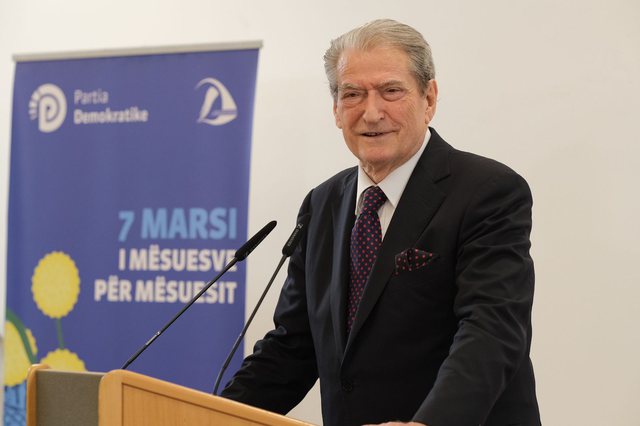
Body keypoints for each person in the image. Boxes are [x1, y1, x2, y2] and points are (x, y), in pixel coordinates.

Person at [221, 19, 541, 426]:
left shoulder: (487, 191)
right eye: (353, 94)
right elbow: (293, 347)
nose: (371, 113)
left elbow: (490, 330)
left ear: (429, 98)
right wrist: (210, 417)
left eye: (391, 91)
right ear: (336, 110)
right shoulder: (322, 204)